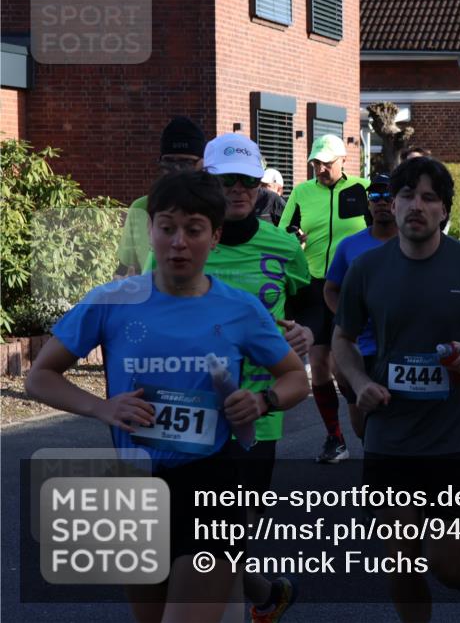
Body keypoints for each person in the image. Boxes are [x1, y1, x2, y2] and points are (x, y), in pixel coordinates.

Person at [27, 170, 309, 623]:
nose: (179, 242)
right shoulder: (112, 301)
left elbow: (295, 377)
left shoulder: (240, 308)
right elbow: (40, 376)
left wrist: (263, 401)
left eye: (194, 230)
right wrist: (102, 407)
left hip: (214, 482)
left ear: (215, 237)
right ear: (150, 229)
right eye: (167, 227)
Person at [332, 157, 460, 622]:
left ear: (444, 210)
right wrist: (361, 383)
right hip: (390, 437)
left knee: (447, 563)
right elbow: (342, 340)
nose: (416, 206)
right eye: (407, 195)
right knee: (402, 562)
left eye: (429, 197)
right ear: (392, 204)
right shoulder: (367, 268)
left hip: (453, 438)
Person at [197, 135, 313, 623]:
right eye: (227, 180)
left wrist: (308, 331)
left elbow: (310, 304)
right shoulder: (187, 242)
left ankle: (262, 598)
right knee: (207, 535)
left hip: (259, 409)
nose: (238, 190)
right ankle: (264, 596)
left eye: (247, 180)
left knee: (229, 534)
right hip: (192, 407)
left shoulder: (283, 246)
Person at [278, 134, 370, 464]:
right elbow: (283, 231)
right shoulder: (302, 192)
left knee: (343, 367)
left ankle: (367, 422)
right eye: (316, 163)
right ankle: (335, 438)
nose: (320, 169)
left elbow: (384, 230)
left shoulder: (362, 188)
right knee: (318, 364)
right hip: (314, 286)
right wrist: (295, 237)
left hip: (352, 286)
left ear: (343, 160)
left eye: (327, 163)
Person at [324, 174, 399, 439]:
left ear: (397, 202)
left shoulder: (413, 243)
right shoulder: (349, 246)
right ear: (368, 203)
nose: (381, 202)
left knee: (397, 420)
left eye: (387, 196)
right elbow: (330, 289)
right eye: (374, 196)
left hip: (400, 347)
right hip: (360, 348)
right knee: (361, 426)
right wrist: (348, 319)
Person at [116, 116, 206, 277]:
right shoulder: (141, 207)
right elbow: (125, 270)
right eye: (169, 163)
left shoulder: (214, 208)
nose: (176, 170)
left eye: (186, 163)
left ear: (203, 164)